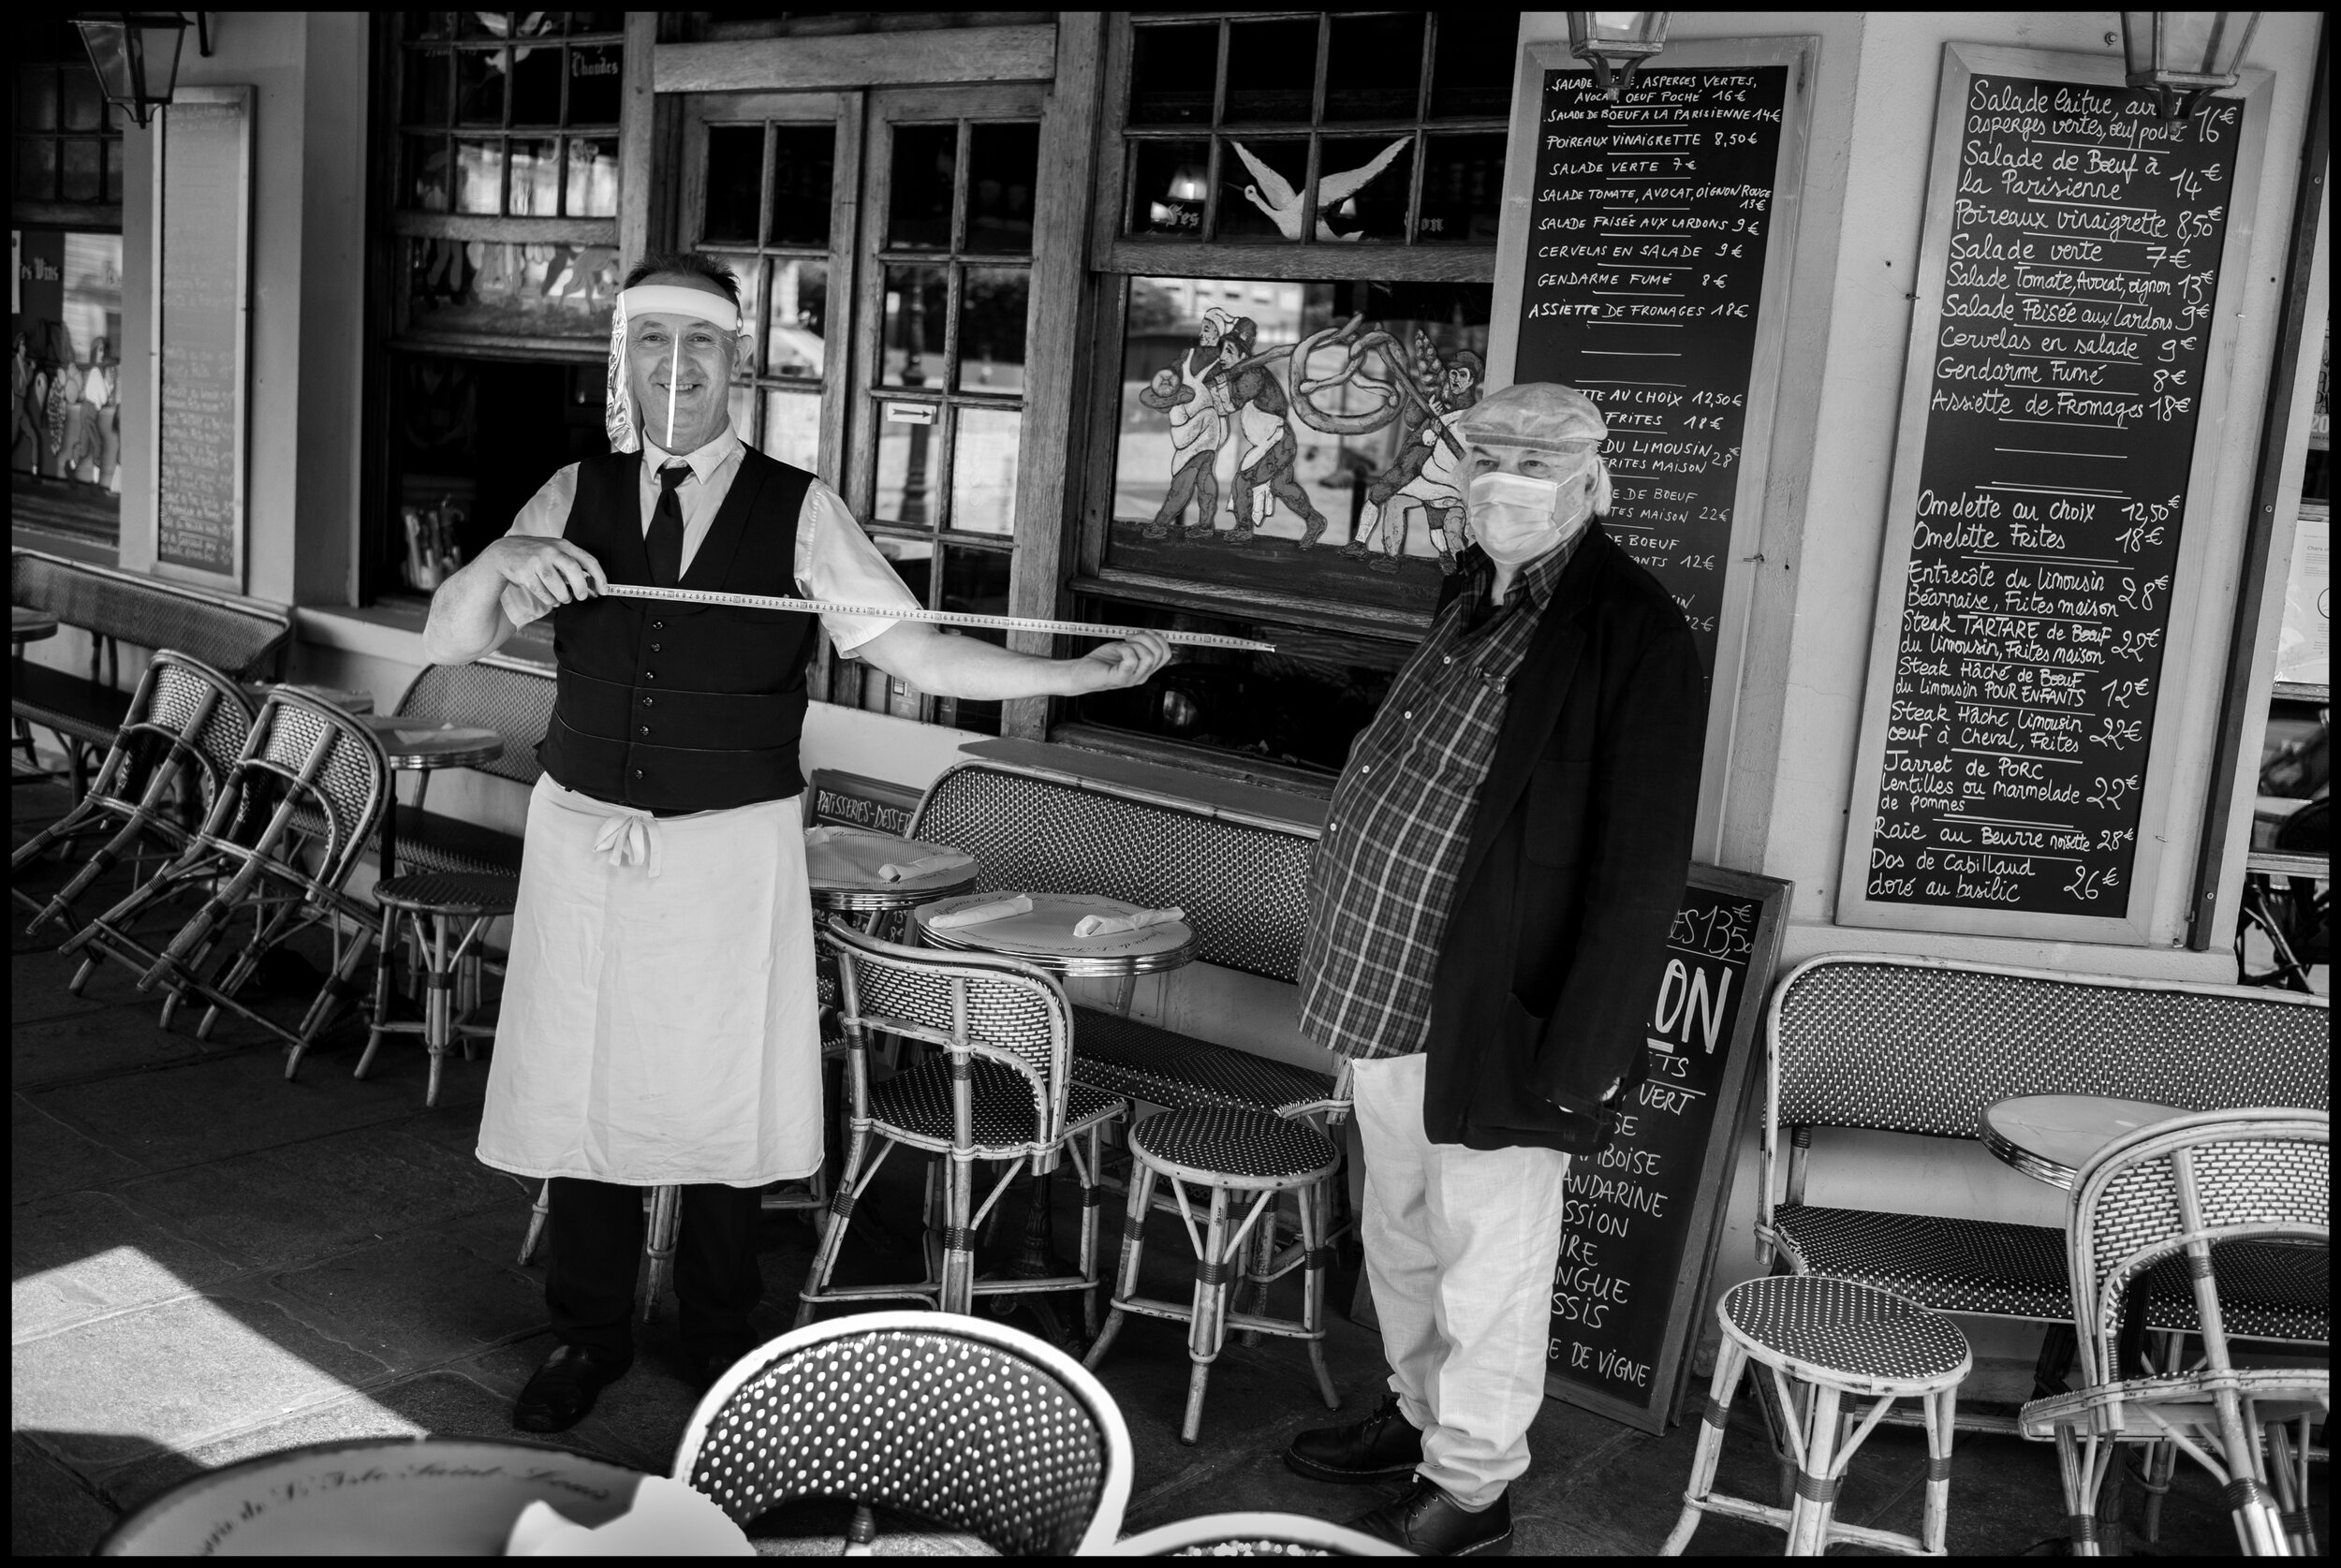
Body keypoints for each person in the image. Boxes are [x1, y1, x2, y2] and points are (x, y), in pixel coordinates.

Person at [421, 253, 1170, 1433]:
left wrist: (1066, 672)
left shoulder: (800, 507)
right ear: (626, 360)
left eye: (703, 345)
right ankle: (586, 1331)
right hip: (585, 835)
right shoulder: (570, 493)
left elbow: (913, 652)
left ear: (740, 364)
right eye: (654, 343)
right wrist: (499, 561)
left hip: (731, 845)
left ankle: (720, 1329)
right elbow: (451, 638)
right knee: (583, 1072)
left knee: (725, 1080)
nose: (679, 367)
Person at [1283, 382, 1705, 1555]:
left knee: (1492, 1261)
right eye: (1490, 454)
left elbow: (1639, 865)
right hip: (1383, 986)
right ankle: (1422, 1417)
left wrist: (1586, 1051)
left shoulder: (1635, 629)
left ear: (1592, 475)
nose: (1507, 477)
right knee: (1401, 1230)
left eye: (1538, 457)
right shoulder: (1474, 588)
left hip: (1498, 1012)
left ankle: (1470, 1491)